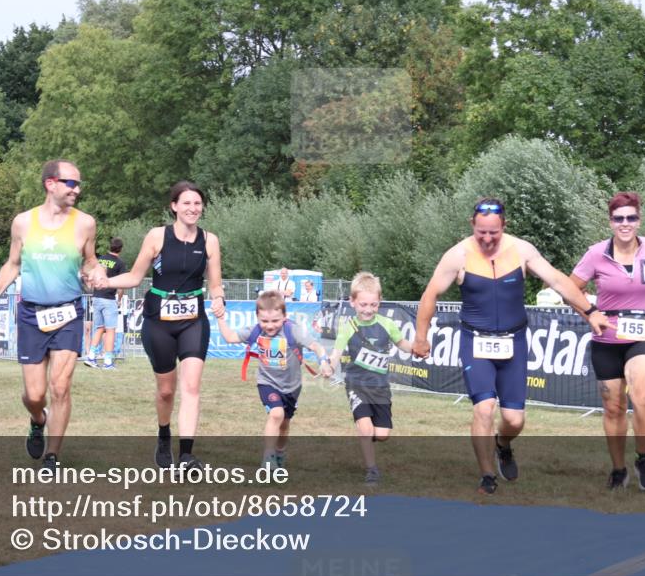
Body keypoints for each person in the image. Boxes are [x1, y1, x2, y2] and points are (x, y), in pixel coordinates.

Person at [414, 198, 611, 494]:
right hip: (475, 341)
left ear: (504, 226)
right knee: (484, 408)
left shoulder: (522, 251)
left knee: (514, 420)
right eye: (481, 232)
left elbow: (558, 281)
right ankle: (487, 476)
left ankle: (502, 444)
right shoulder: (457, 256)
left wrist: (591, 311)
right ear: (472, 225)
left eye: (493, 232)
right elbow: (430, 294)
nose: (487, 239)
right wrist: (421, 336)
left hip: (514, 342)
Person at [0, 160, 105, 471]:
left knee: (60, 386)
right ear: (51, 184)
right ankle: (38, 419)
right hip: (31, 314)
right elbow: (12, 263)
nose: (77, 189)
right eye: (71, 183)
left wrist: (96, 273)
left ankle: (52, 456)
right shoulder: (23, 222)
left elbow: (90, 261)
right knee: (35, 395)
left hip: (68, 312)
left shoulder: (85, 223)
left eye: (79, 184)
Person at [98, 181, 225, 470]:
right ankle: (164, 432)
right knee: (166, 391)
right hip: (159, 322)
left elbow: (215, 285)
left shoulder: (210, 241)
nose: (193, 208)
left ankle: (187, 456)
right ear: (174, 206)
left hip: (194, 320)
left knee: (191, 386)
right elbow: (134, 276)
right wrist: (106, 281)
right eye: (187, 203)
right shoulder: (157, 236)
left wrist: (219, 299)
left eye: (197, 203)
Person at [570, 192, 645, 491]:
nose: (625, 223)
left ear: (639, 220)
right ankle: (619, 469)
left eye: (631, 217)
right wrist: (590, 314)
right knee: (613, 407)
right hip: (606, 336)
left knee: (642, 394)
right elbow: (570, 288)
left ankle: (643, 459)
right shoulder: (596, 253)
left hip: (642, 332)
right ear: (610, 222)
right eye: (619, 218)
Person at [217, 290, 332, 469]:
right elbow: (230, 337)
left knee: (284, 425)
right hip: (267, 383)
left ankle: (279, 452)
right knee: (276, 414)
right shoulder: (255, 331)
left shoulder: (292, 331)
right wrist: (220, 317)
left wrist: (324, 362)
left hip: (292, 387)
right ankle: (268, 457)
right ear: (257, 317)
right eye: (264, 321)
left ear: (284, 316)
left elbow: (316, 346)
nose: (270, 326)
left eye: (275, 321)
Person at [330, 272, 413, 485]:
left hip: (380, 388)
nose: (368, 309)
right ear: (353, 302)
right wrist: (329, 366)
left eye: (373, 305)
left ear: (379, 302)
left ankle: (366, 437)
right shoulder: (348, 326)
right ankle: (372, 470)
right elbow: (337, 351)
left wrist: (417, 349)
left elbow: (402, 343)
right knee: (365, 427)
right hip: (356, 384)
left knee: (383, 434)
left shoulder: (387, 324)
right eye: (363, 304)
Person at [85, 237, 127, 370]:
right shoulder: (120, 263)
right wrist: (119, 300)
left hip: (96, 297)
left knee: (99, 328)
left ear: (110, 246)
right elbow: (121, 285)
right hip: (109, 299)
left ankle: (91, 356)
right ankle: (108, 361)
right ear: (120, 249)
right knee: (110, 330)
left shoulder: (100, 259)